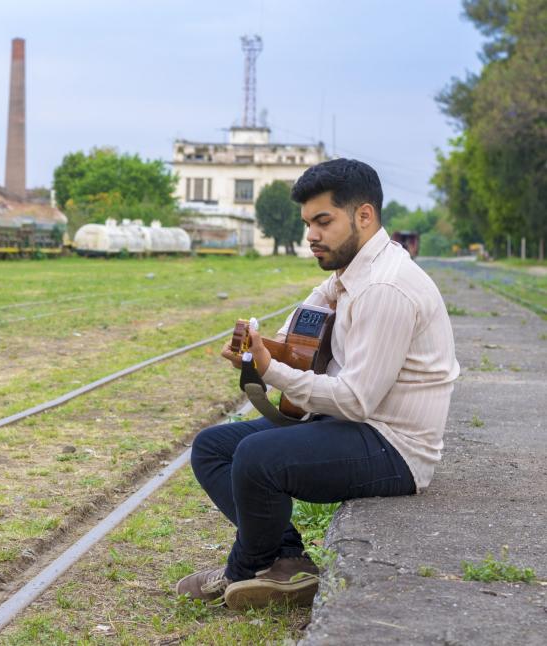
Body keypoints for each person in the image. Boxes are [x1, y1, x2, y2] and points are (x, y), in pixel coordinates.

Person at [176, 158, 460, 610]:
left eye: (323, 222)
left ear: (363, 215)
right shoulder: (351, 273)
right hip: (353, 425)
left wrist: (270, 370)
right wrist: (261, 350)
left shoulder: (386, 287)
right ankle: (286, 559)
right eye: (308, 223)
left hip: (395, 446)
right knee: (213, 447)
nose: (311, 235)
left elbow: (356, 400)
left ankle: (242, 570)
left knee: (256, 456)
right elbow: (302, 323)